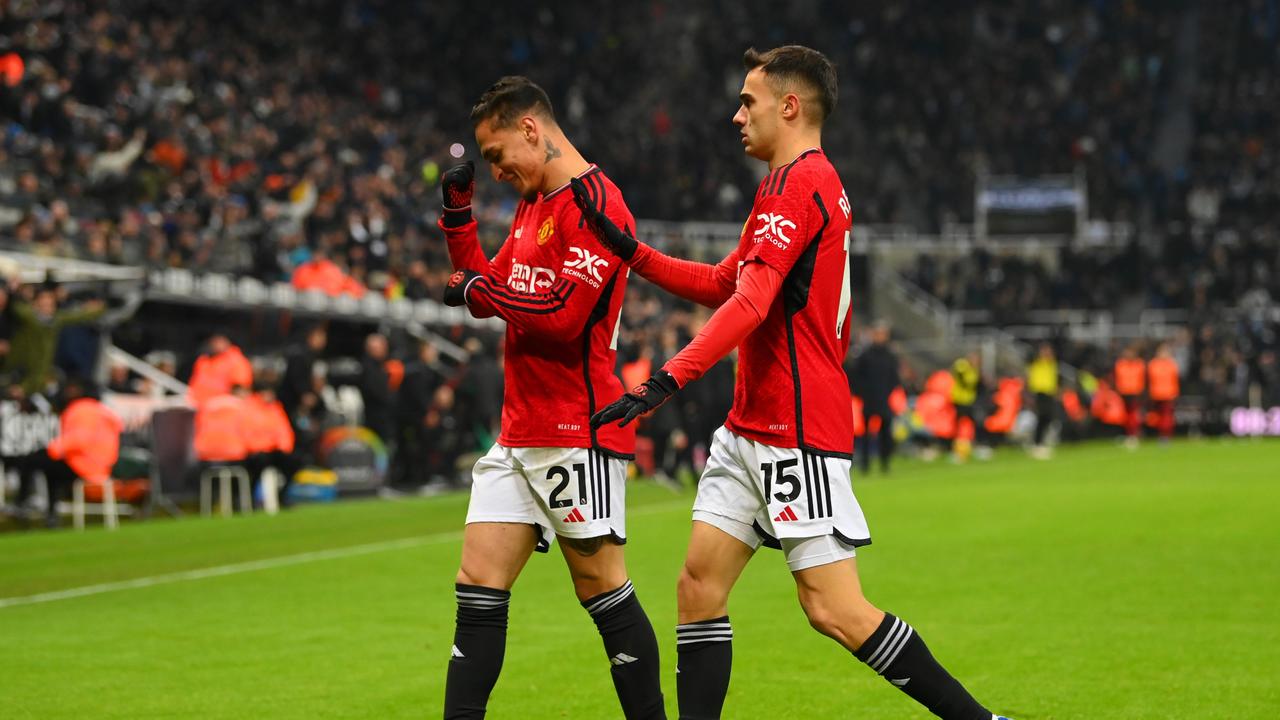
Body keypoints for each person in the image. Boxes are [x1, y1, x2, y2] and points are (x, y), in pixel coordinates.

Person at [577, 46, 1010, 720]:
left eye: (747, 102)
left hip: (796, 429)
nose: (735, 115)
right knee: (698, 587)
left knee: (833, 609)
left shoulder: (797, 184)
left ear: (790, 105)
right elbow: (728, 282)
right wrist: (634, 254)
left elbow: (748, 305)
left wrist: (668, 379)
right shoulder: (794, 184)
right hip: (754, 424)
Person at [436, 76, 665, 719]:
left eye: (498, 153)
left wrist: (477, 292)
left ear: (531, 129)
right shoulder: (533, 203)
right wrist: (459, 219)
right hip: (519, 432)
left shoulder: (599, 204)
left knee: (601, 590)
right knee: (477, 586)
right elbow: (488, 286)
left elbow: (563, 317)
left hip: (578, 432)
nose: (497, 169)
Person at [11, 378, 122, 528]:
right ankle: (51, 514)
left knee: (32, 460)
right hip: (103, 466)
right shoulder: (101, 410)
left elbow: (79, 438)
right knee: (51, 471)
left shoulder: (80, 409)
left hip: (83, 464)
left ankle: (21, 502)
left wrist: (54, 448)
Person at [848, 322, 901, 474]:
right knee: (865, 434)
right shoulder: (865, 355)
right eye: (878, 333)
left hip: (885, 400)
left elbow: (894, 377)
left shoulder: (890, 355)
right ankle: (865, 465)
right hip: (869, 400)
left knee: (886, 433)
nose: (880, 337)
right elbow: (856, 377)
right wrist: (863, 394)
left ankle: (885, 463)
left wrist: (890, 392)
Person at [187, 333, 254, 408]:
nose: (215, 343)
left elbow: (242, 391)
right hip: (195, 403)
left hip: (222, 406)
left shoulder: (236, 360)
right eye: (213, 340)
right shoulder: (203, 360)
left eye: (218, 340)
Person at [358, 333, 395, 445]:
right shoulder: (369, 368)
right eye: (381, 346)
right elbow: (381, 394)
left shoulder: (382, 366)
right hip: (375, 423)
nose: (385, 349)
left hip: (381, 421)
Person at [1026, 343, 1059, 459]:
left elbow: (1053, 379)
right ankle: (1036, 444)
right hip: (1040, 394)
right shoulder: (1037, 365)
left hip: (1049, 394)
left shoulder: (1052, 364)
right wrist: (1032, 395)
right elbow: (1032, 380)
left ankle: (1041, 443)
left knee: (1048, 419)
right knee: (1041, 418)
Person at [949, 351, 982, 462]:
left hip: (969, 401)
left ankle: (972, 446)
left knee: (973, 423)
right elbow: (961, 378)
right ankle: (955, 450)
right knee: (958, 425)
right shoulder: (963, 365)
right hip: (959, 400)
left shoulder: (974, 370)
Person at [1114, 345, 1146, 449]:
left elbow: (1142, 379)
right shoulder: (1120, 364)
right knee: (1125, 416)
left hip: (1135, 393)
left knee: (1134, 416)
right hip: (1123, 393)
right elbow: (1117, 379)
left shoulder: (1139, 364)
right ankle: (1128, 435)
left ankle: (1134, 435)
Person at [1146, 343, 1180, 444]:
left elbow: (1175, 380)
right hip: (1157, 394)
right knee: (1158, 416)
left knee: (1167, 416)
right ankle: (1162, 435)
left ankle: (1165, 435)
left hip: (1168, 394)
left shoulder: (1171, 364)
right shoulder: (1153, 364)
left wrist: (1175, 393)